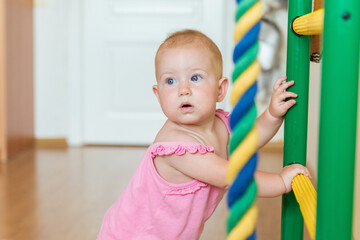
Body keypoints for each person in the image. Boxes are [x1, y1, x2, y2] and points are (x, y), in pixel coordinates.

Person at [98, 29, 311, 240]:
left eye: (195, 78)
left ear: (220, 90)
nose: (183, 90)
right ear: (158, 94)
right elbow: (233, 177)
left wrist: (272, 114)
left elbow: (249, 141)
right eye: (170, 81)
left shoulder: (221, 123)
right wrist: (280, 183)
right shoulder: (177, 147)